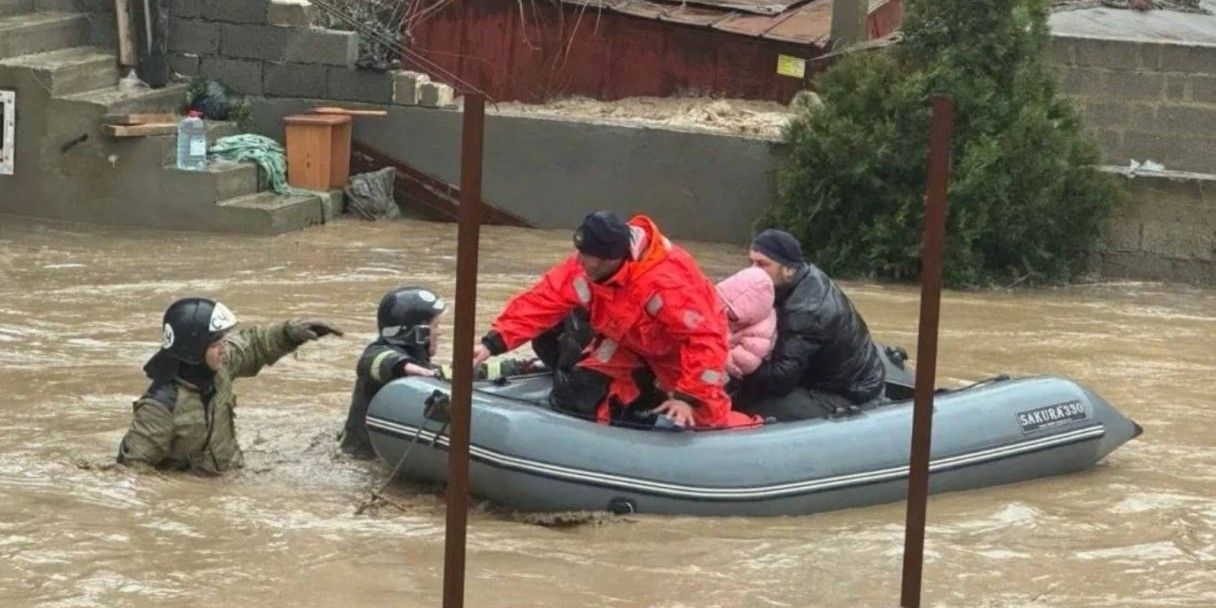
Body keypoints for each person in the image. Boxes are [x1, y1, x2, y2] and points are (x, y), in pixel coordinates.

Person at [472, 211, 760, 429]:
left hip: (676, 355)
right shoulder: (588, 266)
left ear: (611, 258)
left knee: (708, 421)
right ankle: (628, 420)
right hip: (626, 344)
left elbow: (705, 338)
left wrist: (689, 397)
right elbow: (543, 299)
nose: (579, 260)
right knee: (582, 389)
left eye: (587, 256)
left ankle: (754, 428)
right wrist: (492, 343)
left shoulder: (667, 283)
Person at [117, 297, 343, 474]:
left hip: (228, 475)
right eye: (216, 344)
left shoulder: (220, 367)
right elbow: (134, 472)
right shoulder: (160, 408)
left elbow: (254, 345)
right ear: (193, 350)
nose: (224, 349)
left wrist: (289, 334)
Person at [338, 286, 539, 459]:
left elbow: (459, 374)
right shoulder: (380, 353)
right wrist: (404, 366)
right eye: (436, 326)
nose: (439, 332)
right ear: (419, 333)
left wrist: (522, 367)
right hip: (362, 457)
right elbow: (372, 361)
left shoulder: (422, 367)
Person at [732, 229, 886, 420]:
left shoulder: (807, 310)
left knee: (743, 403)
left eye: (762, 264)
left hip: (848, 395)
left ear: (789, 269)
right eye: (751, 263)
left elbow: (782, 378)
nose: (753, 272)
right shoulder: (794, 280)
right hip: (821, 375)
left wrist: (734, 365)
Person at [715, 267, 777, 380]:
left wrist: (713, 351)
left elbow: (745, 363)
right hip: (709, 354)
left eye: (732, 311)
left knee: (706, 379)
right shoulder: (720, 305)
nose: (725, 310)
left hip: (727, 373)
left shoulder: (761, 332)